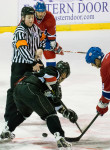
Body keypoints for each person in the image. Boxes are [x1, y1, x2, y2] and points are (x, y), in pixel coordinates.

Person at [1, 61, 78, 149]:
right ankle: (60, 138)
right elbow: (48, 75)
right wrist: (55, 87)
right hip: (30, 88)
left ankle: (7, 131)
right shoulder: (54, 71)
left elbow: (51, 102)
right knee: (50, 114)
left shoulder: (46, 82)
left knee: (24, 114)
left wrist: (65, 112)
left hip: (19, 89)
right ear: (64, 74)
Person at [3, 6, 45, 138]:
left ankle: (46, 112)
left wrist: (40, 48)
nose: (31, 19)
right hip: (19, 66)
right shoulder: (19, 31)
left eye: (32, 17)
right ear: (23, 18)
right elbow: (23, 51)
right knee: (14, 90)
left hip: (32, 64)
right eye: (29, 17)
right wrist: (34, 63)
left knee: (40, 85)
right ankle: (9, 118)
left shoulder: (35, 28)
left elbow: (42, 37)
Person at [34, 1, 64, 67]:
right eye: (39, 12)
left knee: (50, 56)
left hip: (44, 39)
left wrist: (53, 44)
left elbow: (51, 33)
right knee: (33, 57)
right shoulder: (30, 16)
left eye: (42, 12)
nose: (40, 14)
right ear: (35, 11)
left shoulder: (49, 17)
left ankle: (51, 73)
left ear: (45, 11)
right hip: (31, 40)